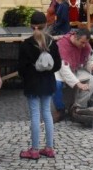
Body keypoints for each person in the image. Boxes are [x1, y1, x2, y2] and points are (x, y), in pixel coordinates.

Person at [18, 11, 61, 160]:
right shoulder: (52, 43)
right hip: (48, 82)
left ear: (31, 26)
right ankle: (49, 148)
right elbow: (57, 66)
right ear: (46, 25)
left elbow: (21, 69)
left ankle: (34, 149)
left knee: (35, 115)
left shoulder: (26, 44)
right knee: (47, 114)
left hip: (32, 83)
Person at [54, 28, 93, 114]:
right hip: (59, 72)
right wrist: (78, 83)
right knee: (56, 85)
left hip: (75, 69)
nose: (84, 45)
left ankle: (77, 106)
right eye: (82, 42)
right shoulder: (62, 45)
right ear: (75, 37)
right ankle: (60, 110)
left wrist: (92, 65)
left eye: (86, 43)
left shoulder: (84, 43)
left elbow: (89, 59)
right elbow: (64, 69)